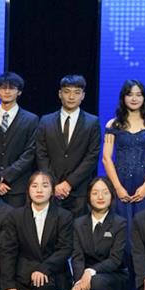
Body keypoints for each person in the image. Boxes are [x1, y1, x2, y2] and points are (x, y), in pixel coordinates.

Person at [102, 79, 145, 290]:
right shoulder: (114, 124)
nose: (134, 98)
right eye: (130, 94)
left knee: (144, 238)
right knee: (122, 239)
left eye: (138, 94)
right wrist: (117, 188)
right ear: (123, 97)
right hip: (121, 185)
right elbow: (106, 158)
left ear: (144, 98)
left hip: (143, 185)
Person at [0, 170, 74, 290]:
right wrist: (8, 284)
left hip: (52, 270)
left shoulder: (63, 216)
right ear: (28, 190)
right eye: (34, 186)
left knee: (43, 282)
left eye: (45, 186)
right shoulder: (15, 216)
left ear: (52, 191)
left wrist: (43, 269)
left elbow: (65, 249)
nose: (39, 190)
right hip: (23, 270)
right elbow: (8, 252)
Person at [67, 177, 128, 290]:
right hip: (86, 276)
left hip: (114, 275)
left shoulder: (119, 223)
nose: (100, 197)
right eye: (95, 193)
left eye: (105, 193)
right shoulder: (79, 223)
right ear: (88, 196)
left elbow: (115, 259)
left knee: (97, 282)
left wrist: (91, 271)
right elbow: (77, 257)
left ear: (112, 196)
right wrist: (79, 281)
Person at [34, 75, 101, 215]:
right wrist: (53, 183)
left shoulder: (92, 122)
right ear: (60, 94)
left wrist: (69, 183)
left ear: (83, 96)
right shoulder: (45, 121)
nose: (71, 97)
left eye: (76, 92)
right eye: (67, 92)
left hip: (79, 191)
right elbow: (41, 154)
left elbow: (92, 156)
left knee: (78, 227)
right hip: (51, 189)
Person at [0, 72, 40, 208]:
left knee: (17, 221)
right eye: (2, 88)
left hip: (17, 187)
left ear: (19, 92)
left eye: (11, 88)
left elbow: (30, 153)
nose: (6, 91)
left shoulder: (31, 120)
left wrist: (5, 177)